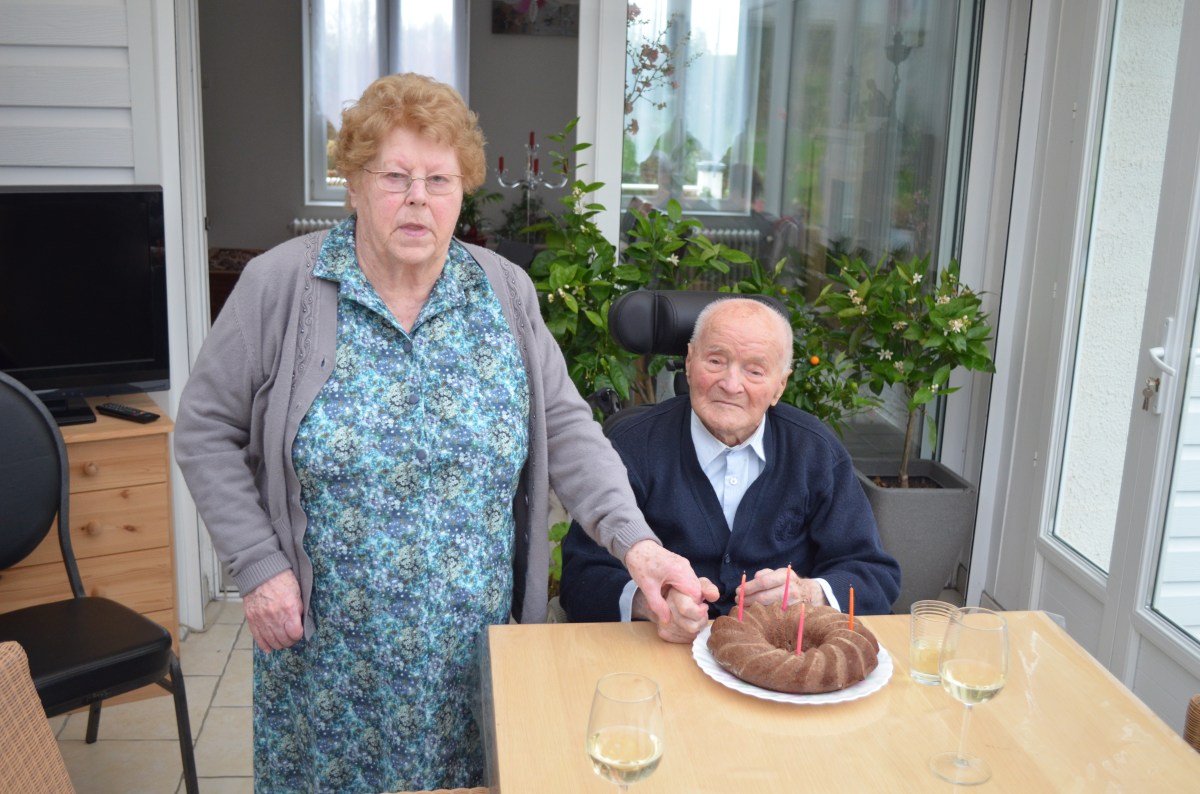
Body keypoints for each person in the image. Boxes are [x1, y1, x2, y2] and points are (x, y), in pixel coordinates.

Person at [174, 73, 702, 793]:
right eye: (394, 176)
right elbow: (204, 429)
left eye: (439, 179)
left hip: (469, 653)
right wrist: (260, 567)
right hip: (325, 664)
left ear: (463, 192)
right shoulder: (281, 286)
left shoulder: (504, 292)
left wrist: (636, 545)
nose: (417, 198)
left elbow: (567, 427)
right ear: (353, 185)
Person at [560, 298, 901, 643]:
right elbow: (579, 577)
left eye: (754, 370)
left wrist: (809, 594)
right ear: (690, 363)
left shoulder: (815, 452)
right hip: (659, 655)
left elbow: (875, 575)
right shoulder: (632, 445)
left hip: (781, 663)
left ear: (779, 386)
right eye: (716, 361)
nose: (731, 383)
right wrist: (650, 603)